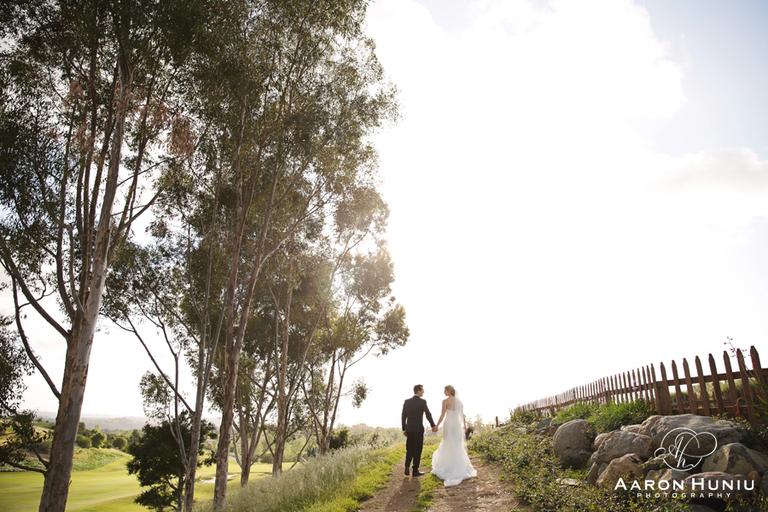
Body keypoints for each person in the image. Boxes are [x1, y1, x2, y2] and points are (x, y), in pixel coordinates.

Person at [431, 385, 477, 486]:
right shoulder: (459, 401)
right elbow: (462, 415)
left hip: (448, 423)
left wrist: (437, 425)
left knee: (448, 442)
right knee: (456, 444)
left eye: (445, 390)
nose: (444, 392)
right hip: (456, 424)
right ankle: (459, 465)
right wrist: (464, 427)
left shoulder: (445, 401)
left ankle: (448, 467)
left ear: (449, 391)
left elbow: (442, 415)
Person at [401, 384, 437, 476]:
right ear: (418, 391)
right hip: (418, 429)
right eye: (422, 390)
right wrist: (433, 425)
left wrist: (404, 429)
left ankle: (406, 466)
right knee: (417, 449)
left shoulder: (407, 402)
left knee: (409, 448)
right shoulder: (422, 402)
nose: (423, 392)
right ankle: (415, 470)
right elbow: (428, 414)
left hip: (409, 429)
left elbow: (403, 416)